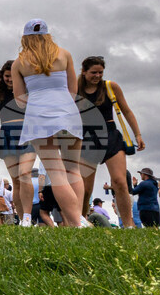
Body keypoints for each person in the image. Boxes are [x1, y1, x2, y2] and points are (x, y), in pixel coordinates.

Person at [12, 20, 87, 227]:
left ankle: (76, 225)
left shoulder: (18, 63)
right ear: (48, 35)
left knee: (56, 173)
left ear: (25, 37)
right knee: (74, 170)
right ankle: (78, 220)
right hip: (68, 114)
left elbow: (19, 100)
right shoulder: (65, 54)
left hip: (39, 117)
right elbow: (73, 90)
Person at [77, 56, 144, 228]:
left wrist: (137, 134)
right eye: (93, 72)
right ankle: (81, 221)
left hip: (110, 135)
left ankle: (128, 225)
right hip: (87, 138)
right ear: (83, 72)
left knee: (120, 182)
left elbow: (127, 111)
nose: (97, 76)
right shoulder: (75, 89)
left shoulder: (110, 87)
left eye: (100, 72)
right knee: (85, 189)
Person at [0, 60, 36, 224]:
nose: (10, 79)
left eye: (13, 76)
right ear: (2, 76)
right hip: (7, 136)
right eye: (7, 76)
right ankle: (22, 219)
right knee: (16, 181)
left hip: (28, 135)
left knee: (25, 174)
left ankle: (28, 216)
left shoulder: (29, 92)